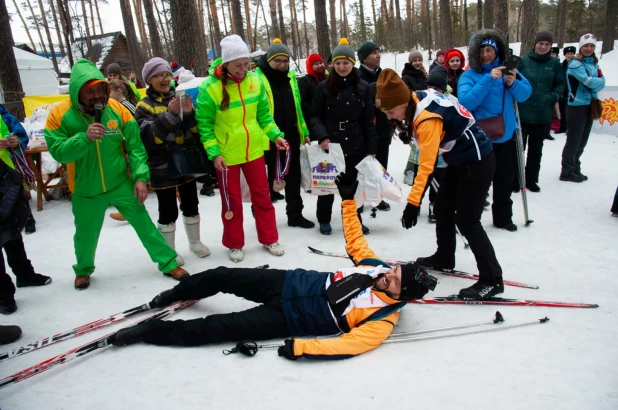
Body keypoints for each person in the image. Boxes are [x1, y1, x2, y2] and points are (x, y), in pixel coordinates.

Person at [108, 173, 437, 358]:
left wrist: (301, 347)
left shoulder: (381, 320)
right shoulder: (374, 266)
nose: (385, 276)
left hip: (287, 319)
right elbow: (354, 240)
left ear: (400, 295)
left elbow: (348, 344)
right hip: (288, 283)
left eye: (393, 281)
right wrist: (348, 200)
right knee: (222, 276)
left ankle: (151, 331)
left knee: (219, 327)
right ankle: (170, 296)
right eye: (392, 270)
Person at [44, 58, 188, 290]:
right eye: (89, 91)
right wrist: (84, 138)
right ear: (76, 92)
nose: (96, 96)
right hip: (85, 188)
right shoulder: (60, 114)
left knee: (144, 225)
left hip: (120, 182)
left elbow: (135, 148)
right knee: (85, 235)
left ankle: (168, 263)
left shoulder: (118, 110)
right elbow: (59, 152)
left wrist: (141, 177)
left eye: (100, 89)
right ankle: (83, 270)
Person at [376, 68, 505, 300]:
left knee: (467, 220)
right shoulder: (415, 97)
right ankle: (445, 256)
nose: (389, 116)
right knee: (443, 208)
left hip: (478, 160)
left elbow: (426, 166)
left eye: (390, 111)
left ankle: (492, 279)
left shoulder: (426, 119)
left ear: (403, 102)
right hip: (460, 158)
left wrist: (412, 204)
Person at [195, 35, 287, 263]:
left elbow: (264, 115)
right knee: (231, 202)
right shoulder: (209, 87)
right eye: (238, 65)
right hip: (226, 155)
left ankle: (269, 238)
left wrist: (275, 135)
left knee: (263, 197)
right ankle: (234, 243)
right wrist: (214, 153)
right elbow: (204, 125)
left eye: (247, 64)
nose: (243, 69)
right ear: (225, 63)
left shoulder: (254, 80)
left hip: (254, 150)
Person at [135, 58, 211, 266]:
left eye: (167, 74)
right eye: (159, 75)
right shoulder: (144, 106)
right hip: (161, 165)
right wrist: (170, 114)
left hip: (185, 162)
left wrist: (189, 114)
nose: (164, 79)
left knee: (191, 204)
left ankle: (195, 242)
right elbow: (149, 138)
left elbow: (194, 132)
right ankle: (169, 251)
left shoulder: (180, 96)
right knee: (167, 209)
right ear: (149, 80)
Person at [458, 29, 532, 232]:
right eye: (481, 50)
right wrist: (488, 79)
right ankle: (469, 220)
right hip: (479, 139)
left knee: (505, 180)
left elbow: (526, 94)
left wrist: (513, 83)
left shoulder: (508, 70)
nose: (485, 54)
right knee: (478, 183)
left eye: (489, 50)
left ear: (497, 50)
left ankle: (503, 218)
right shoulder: (469, 75)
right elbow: (466, 101)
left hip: (506, 135)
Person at [308, 38, 377, 236]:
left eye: (345, 62)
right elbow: (314, 115)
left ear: (352, 63)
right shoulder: (324, 87)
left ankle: (353, 220)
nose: (341, 67)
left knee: (353, 186)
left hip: (356, 142)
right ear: (332, 65)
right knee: (328, 184)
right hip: (332, 143)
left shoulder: (363, 87)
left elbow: (368, 120)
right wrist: (322, 137)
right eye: (337, 63)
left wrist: (371, 148)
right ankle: (324, 219)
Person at [255, 39, 315, 228]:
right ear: (269, 60)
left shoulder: (290, 78)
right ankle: (262, 217)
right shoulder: (257, 79)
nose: (282, 65)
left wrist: (304, 131)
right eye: (277, 61)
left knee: (293, 176)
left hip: (290, 136)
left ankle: (295, 214)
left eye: (285, 61)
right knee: (265, 180)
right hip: (267, 139)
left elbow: (297, 108)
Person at [1, 118, 51, 314]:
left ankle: (24, 274)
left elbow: (17, 131)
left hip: (6, 178)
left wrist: (15, 141)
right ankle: (4, 294)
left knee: (12, 231)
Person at [516, 31, 566, 193]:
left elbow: (560, 84)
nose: (544, 47)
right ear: (535, 43)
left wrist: (553, 96)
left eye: (547, 44)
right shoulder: (522, 60)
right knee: (518, 148)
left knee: (536, 149)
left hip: (542, 114)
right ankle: (517, 179)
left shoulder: (555, 64)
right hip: (521, 113)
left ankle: (531, 180)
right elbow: (507, 76)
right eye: (541, 43)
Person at [401, 67, 449, 223]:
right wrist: (407, 135)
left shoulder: (447, 101)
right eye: (430, 87)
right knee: (419, 174)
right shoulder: (421, 100)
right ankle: (417, 202)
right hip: (421, 149)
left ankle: (434, 204)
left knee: (436, 178)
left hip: (440, 151)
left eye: (437, 88)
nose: (433, 91)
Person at [560, 33, 605, 183]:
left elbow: (602, 82)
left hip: (589, 105)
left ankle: (575, 166)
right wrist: (596, 81)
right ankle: (566, 170)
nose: (589, 48)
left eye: (592, 46)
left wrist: (596, 81)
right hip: (576, 106)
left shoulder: (593, 64)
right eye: (586, 46)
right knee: (574, 140)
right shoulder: (575, 64)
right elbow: (591, 82)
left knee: (583, 140)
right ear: (580, 47)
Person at [358, 41, 391, 212]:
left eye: (379, 52)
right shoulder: (356, 75)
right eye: (374, 53)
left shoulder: (385, 74)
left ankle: (378, 198)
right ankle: (361, 199)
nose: (378, 55)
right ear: (364, 58)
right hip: (365, 129)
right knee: (364, 166)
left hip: (383, 126)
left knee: (381, 165)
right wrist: (374, 88)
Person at [0, 104, 36, 234]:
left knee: (17, 197)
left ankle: (27, 221)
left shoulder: (5, 117)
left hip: (8, 166)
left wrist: (14, 143)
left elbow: (20, 136)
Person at [298, 53, 327, 118]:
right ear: (310, 66)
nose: (320, 66)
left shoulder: (328, 78)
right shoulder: (304, 81)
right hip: (313, 118)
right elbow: (304, 102)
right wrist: (313, 114)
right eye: (316, 64)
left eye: (321, 63)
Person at [557, 46, 576, 134]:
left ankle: (571, 129)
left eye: (571, 53)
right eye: (568, 54)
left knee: (571, 112)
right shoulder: (562, 65)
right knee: (563, 111)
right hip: (563, 91)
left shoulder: (576, 64)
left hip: (573, 91)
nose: (569, 55)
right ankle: (562, 128)